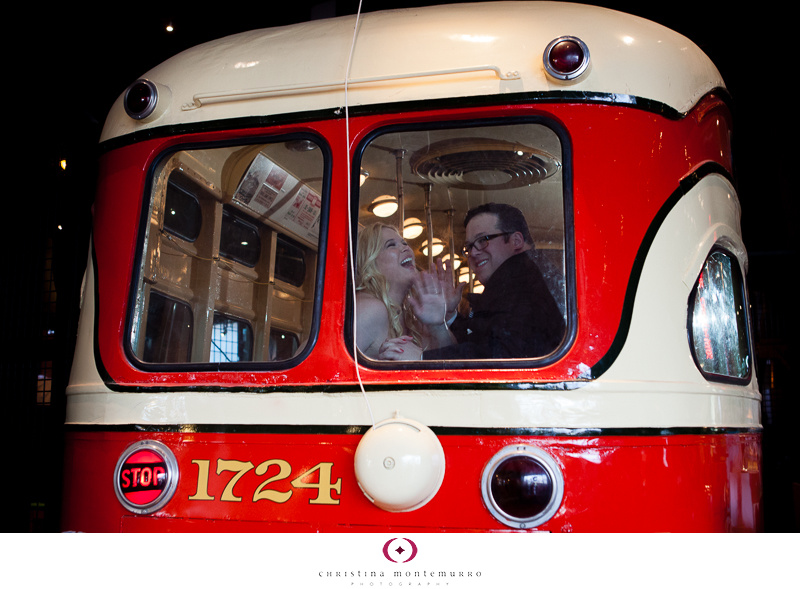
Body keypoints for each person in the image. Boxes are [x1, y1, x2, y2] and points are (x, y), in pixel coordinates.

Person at [382, 203, 565, 360]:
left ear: (516, 240)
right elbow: (487, 338)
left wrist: (422, 358)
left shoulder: (522, 281)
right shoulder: (522, 276)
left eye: (483, 240)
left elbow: (506, 355)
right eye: (469, 246)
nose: (474, 252)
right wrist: (450, 315)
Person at [354, 223, 424, 359]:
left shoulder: (408, 315)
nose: (405, 248)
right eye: (391, 245)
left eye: (404, 243)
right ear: (370, 262)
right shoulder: (371, 308)